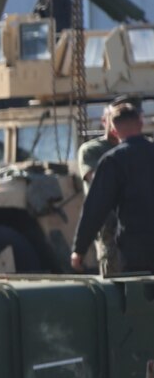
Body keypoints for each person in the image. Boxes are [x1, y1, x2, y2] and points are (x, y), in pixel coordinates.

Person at [72, 96, 153, 275]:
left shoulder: (112, 161)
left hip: (132, 252)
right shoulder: (98, 153)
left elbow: (96, 206)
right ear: (141, 123)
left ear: (114, 130)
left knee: (128, 299)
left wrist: (80, 248)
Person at [76, 104, 122, 275]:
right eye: (113, 119)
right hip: (109, 229)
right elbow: (99, 183)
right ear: (104, 121)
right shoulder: (92, 150)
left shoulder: (139, 149)